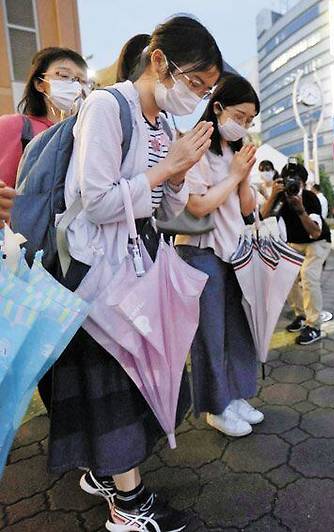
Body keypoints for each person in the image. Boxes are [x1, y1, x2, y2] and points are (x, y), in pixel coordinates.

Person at [45, 16, 222, 531]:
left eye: (208, 91)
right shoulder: (107, 106)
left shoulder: (163, 124)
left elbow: (164, 212)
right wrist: (168, 169)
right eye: (196, 83)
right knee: (115, 390)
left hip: (135, 271)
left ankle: (108, 478)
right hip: (99, 278)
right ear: (160, 61)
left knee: (135, 381)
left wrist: (177, 172)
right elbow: (96, 202)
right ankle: (129, 507)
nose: (198, 97)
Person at [176, 74, 261, 439]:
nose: (242, 125)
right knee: (210, 335)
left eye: (249, 121)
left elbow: (246, 206)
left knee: (237, 331)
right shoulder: (196, 145)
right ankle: (216, 406)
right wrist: (235, 174)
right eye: (239, 116)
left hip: (232, 250)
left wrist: (244, 174)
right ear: (218, 108)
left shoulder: (234, 150)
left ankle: (236, 395)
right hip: (200, 251)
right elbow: (197, 206)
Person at [261, 160, 332, 345]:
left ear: (303, 182)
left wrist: (301, 210)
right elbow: (263, 217)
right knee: (285, 275)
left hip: (317, 241)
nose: (292, 183)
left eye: (295, 180)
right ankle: (301, 315)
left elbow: (315, 231)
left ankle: (314, 325)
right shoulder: (280, 197)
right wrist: (272, 196)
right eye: (287, 179)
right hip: (296, 243)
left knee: (308, 276)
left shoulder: (310, 198)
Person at [0, 47, 88, 188]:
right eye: (64, 75)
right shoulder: (15, 126)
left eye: (83, 81)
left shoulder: (87, 133)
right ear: (39, 84)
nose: (76, 85)